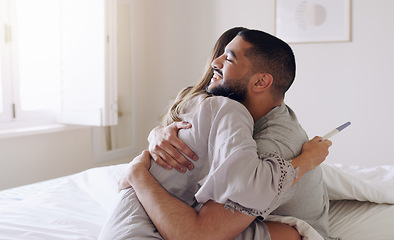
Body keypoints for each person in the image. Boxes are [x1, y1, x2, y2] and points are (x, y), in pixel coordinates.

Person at [98, 28, 333, 240]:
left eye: (229, 58)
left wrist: (138, 174)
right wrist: (158, 134)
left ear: (261, 81)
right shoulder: (228, 115)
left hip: (288, 230)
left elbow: (197, 235)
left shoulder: (270, 146)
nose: (215, 62)